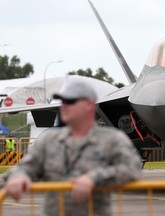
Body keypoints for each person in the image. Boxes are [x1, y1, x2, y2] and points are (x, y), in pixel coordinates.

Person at [4, 79, 142, 216]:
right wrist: (19, 176)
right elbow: (27, 166)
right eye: (63, 102)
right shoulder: (49, 141)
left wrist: (95, 178)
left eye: (70, 102)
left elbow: (132, 168)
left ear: (88, 104)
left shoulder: (111, 140)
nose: (64, 106)